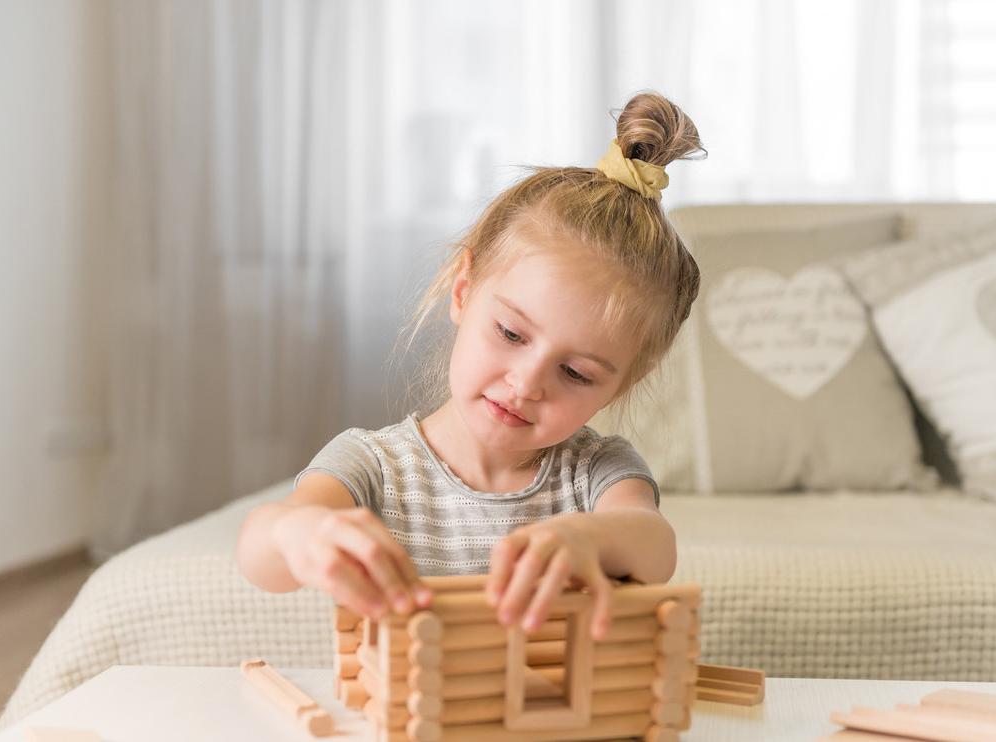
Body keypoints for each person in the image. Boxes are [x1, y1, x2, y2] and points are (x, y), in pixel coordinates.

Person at [236, 91, 704, 641]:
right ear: (463, 291)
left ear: (626, 381)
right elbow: (259, 551)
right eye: (510, 333)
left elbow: (653, 544)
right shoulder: (373, 465)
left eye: (575, 373)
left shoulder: (597, 474)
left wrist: (590, 539)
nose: (526, 383)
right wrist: (300, 535)